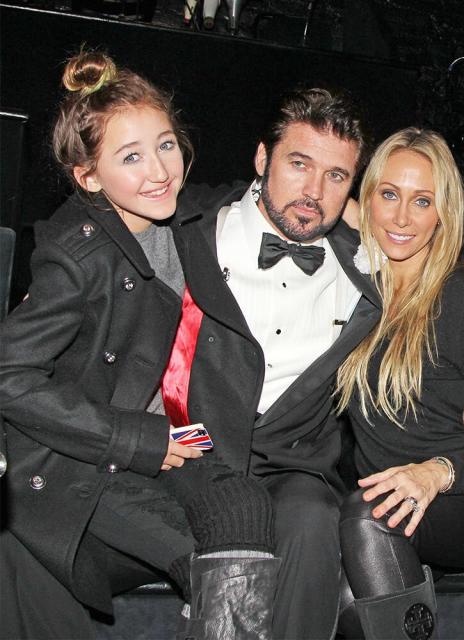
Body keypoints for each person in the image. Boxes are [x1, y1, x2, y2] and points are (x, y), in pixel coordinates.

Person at [0, 51, 279, 639]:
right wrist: (139, 439)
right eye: (131, 157)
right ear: (89, 177)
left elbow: (247, 194)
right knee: (214, 573)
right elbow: (8, 375)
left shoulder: (179, 218)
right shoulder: (75, 259)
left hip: (168, 445)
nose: (160, 171)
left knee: (246, 509)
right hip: (78, 464)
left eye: (167, 145)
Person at [166, 86, 380, 639]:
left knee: (314, 518)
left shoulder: (366, 270)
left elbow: (432, 247)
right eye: (299, 164)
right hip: (190, 452)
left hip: (292, 466)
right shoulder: (189, 229)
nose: (314, 192)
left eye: (337, 176)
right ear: (262, 160)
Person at [335, 127, 464, 639]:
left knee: (367, 514)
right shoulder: (348, 289)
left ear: (442, 213)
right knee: (343, 602)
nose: (401, 218)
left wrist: (434, 473)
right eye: (389, 195)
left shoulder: (461, 296)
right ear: (367, 198)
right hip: (391, 504)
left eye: (422, 201)